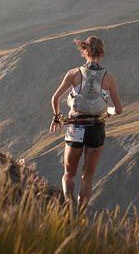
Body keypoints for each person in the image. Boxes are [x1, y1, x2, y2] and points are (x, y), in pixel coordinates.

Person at [49, 35, 123, 209]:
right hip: (96, 128)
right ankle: (80, 216)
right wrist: (107, 112)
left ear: (84, 52)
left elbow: (55, 99)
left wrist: (57, 117)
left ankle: (69, 207)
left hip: (75, 125)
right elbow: (118, 110)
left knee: (69, 174)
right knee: (87, 178)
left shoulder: (74, 74)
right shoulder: (109, 78)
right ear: (102, 53)